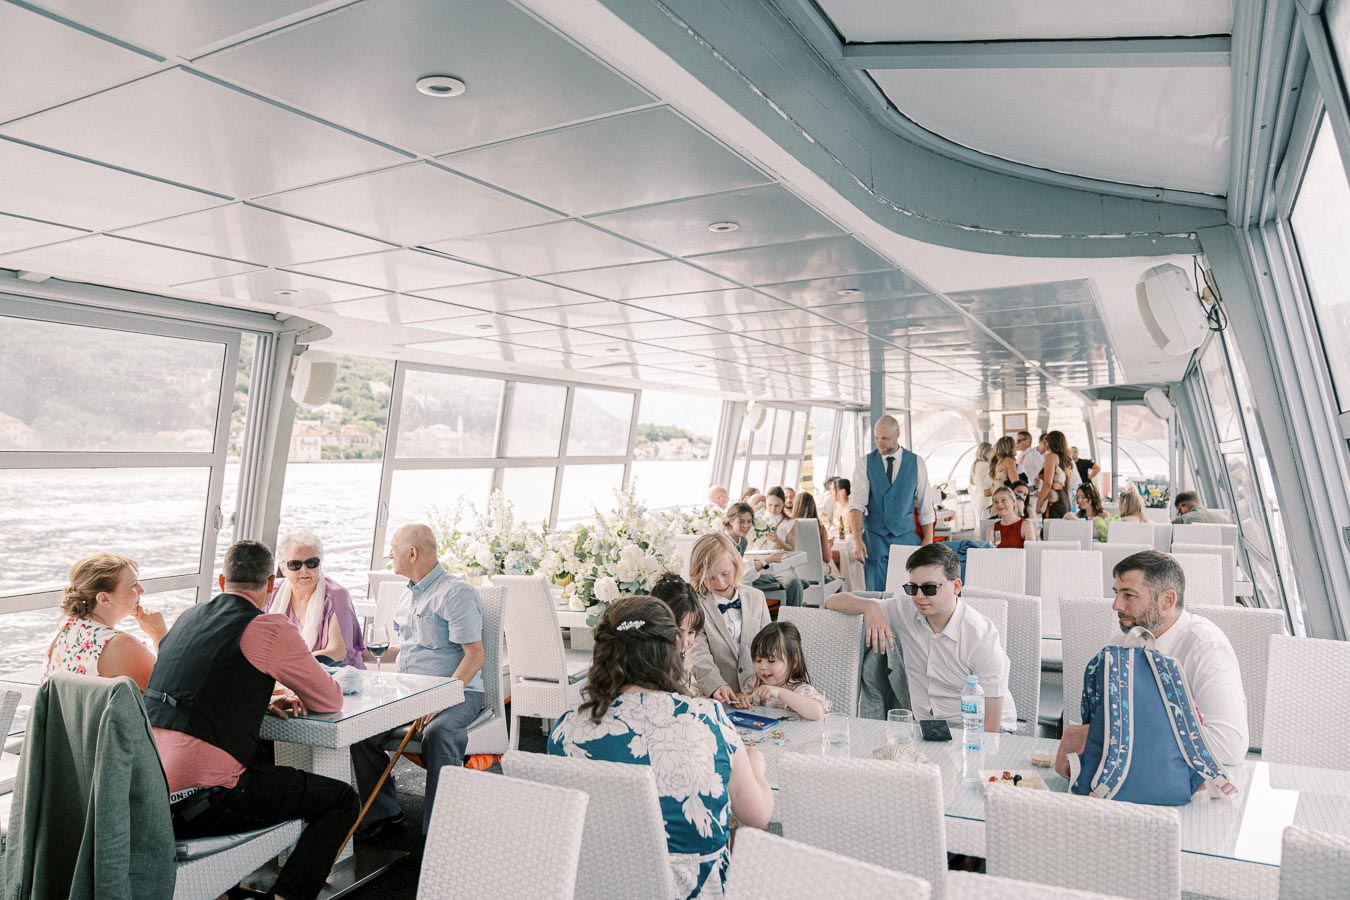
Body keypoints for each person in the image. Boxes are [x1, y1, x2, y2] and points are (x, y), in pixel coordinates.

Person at [147, 541, 357, 900]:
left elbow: (198, 691)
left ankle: (229, 891)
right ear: (272, 583)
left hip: (151, 794)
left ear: (221, 579)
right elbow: (328, 698)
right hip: (208, 801)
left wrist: (257, 702)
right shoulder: (268, 628)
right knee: (341, 800)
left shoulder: (186, 619)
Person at [548, 595, 774, 898]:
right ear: (669, 653)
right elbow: (757, 815)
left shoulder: (566, 731)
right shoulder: (709, 720)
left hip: (600, 889)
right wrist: (755, 764)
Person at [1056, 551, 1248, 773]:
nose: (1116, 605)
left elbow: (1228, 745)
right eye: (1116, 593)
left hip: (1188, 787)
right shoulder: (1124, 641)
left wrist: (1128, 736)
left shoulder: (1205, 647)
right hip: (1129, 776)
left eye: (1128, 595)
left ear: (1167, 600)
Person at [352, 523, 486, 836]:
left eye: (394, 549)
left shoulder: (456, 593)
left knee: (438, 732)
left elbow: (475, 656)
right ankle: (384, 815)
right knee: (359, 730)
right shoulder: (407, 596)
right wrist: (363, 656)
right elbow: (407, 650)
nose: (389, 554)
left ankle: (441, 830)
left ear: (412, 553)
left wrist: (440, 700)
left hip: (458, 693)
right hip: (411, 693)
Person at [826, 543, 1016, 731]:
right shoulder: (905, 610)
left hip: (978, 731)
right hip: (927, 728)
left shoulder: (981, 638)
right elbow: (831, 601)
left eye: (929, 588)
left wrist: (931, 736)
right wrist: (869, 606)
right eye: (912, 588)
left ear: (956, 586)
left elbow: (990, 727)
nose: (919, 597)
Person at [41, 552, 166, 691]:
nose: (141, 590)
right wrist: (160, 634)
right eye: (133, 585)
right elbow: (172, 688)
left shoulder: (66, 628)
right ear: (104, 599)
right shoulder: (120, 645)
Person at [848, 414, 936, 591]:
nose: (879, 442)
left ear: (897, 434)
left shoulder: (916, 463)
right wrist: (857, 539)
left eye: (885, 438)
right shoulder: (864, 463)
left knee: (908, 590)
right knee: (876, 593)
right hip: (875, 538)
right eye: (876, 438)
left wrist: (928, 538)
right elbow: (856, 505)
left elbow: (926, 505)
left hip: (905, 536)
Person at [689, 532, 772, 704]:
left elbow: (770, 646)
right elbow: (698, 654)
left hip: (757, 694)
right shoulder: (695, 606)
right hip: (716, 697)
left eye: (725, 573)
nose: (719, 583)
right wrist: (716, 685)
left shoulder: (757, 597)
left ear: (736, 565)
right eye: (710, 578)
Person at [268, 531, 366, 668]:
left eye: (311, 563)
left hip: (335, 676)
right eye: (295, 565)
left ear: (320, 564)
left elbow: (336, 652)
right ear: (283, 569)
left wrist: (289, 664)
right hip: (285, 674)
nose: (304, 570)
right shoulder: (272, 592)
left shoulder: (337, 596)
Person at [737, 621, 830, 720]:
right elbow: (743, 698)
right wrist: (741, 699)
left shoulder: (802, 691)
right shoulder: (754, 683)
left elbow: (817, 712)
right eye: (758, 660)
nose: (762, 667)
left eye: (771, 661)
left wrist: (779, 693)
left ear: (794, 662)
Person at [723, 501, 805, 608]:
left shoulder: (742, 541)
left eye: (749, 521)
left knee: (789, 580)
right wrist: (767, 560)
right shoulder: (724, 542)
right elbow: (738, 572)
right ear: (730, 522)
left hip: (740, 577)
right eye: (741, 522)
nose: (746, 525)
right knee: (791, 582)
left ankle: (796, 587)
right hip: (730, 583)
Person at [650, 571, 704, 697]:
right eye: (677, 631)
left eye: (691, 632)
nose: (685, 642)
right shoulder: (649, 665)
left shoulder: (682, 660)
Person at [1036, 431, 1072, 519]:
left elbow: (1048, 483)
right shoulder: (1066, 460)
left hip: (1054, 501)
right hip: (1065, 500)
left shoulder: (1051, 457)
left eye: (1046, 441)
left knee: (1050, 531)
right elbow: (1069, 485)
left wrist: (1039, 502)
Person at [970, 441, 993, 520]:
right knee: (988, 519)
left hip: (978, 495)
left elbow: (971, 482)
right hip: (988, 496)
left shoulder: (974, 464)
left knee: (980, 520)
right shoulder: (988, 465)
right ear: (987, 452)